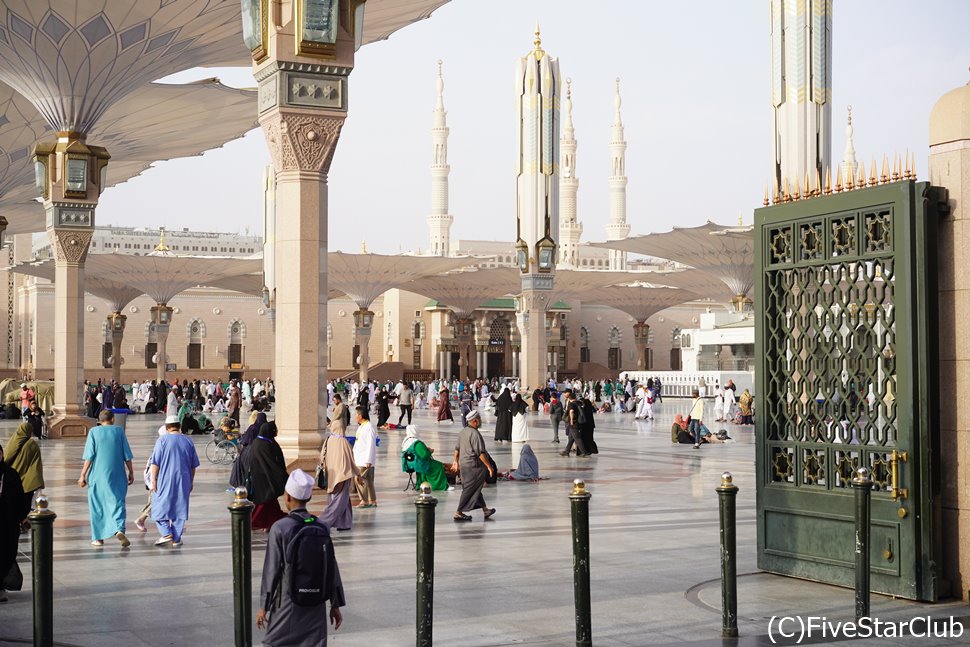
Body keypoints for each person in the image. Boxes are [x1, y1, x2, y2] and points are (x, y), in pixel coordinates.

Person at [257, 469, 346, 646]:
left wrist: (264, 606)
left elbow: (272, 570)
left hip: (287, 602)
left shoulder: (281, 528)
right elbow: (331, 567)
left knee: (275, 642)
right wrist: (335, 604)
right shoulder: (322, 527)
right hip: (316, 603)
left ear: (287, 497)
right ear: (309, 498)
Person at [78, 410, 133, 548]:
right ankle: (119, 529)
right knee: (118, 501)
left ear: (99, 420)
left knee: (97, 505)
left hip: (97, 475)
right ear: (113, 419)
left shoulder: (94, 432)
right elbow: (127, 455)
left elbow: (89, 456)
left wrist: (82, 475)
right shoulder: (119, 431)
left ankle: (98, 538)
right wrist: (131, 472)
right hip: (117, 474)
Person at [148, 414, 201, 547]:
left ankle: (166, 533)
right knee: (180, 508)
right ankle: (176, 538)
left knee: (159, 506)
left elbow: (155, 463)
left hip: (164, 479)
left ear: (167, 428)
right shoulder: (188, 441)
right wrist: (191, 481)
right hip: (183, 479)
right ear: (179, 426)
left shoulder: (162, 441)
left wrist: (153, 480)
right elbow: (193, 465)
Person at [451, 409, 495, 522]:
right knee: (470, 489)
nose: (480, 421)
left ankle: (485, 510)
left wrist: (455, 461)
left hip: (464, 465)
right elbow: (480, 453)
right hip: (473, 466)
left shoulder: (463, 432)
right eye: (479, 419)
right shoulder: (475, 434)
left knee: (475, 487)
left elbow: (457, 449)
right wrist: (489, 467)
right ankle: (458, 512)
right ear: (475, 421)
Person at [319, 417, 359, 531]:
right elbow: (351, 459)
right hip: (343, 475)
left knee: (340, 499)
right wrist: (357, 473)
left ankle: (344, 523)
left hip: (331, 475)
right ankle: (325, 520)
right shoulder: (344, 442)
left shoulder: (328, 440)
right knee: (339, 500)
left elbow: (322, 457)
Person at [0, 444, 29, 603]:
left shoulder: (11, 474)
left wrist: (23, 517)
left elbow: (20, 497)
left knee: (8, 553)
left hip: (8, 522)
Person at [248, 422, 288, 531]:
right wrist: (282, 475)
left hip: (258, 477)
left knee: (270, 503)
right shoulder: (268, 444)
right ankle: (254, 522)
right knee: (265, 502)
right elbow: (275, 463)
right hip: (268, 478)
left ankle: (270, 523)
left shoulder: (256, 442)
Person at [2, 423, 44, 517]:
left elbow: (7, 456)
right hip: (29, 479)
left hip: (15, 476)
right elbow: (36, 463)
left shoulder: (14, 440)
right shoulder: (33, 444)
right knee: (26, 503)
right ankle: (24, 521)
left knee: (14, 502)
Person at [401, 425, 450, 491]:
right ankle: (439, 486)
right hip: (419, 463)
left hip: (409, 464)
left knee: (428, 466)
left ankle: (423, 482)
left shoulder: (405, 441)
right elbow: (424, 455)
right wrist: (430, 451)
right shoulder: (416, 442)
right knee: (439, 466)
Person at [352, 407, 378, 509]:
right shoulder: (362, 426)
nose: (355, 417)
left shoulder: (369, 427)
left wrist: (368, 460)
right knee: (369, 480)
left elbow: (371, 444)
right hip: (360, 458)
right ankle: (372, 500)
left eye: (356, 415)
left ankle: (364, 500)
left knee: (359, 479)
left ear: (360, 416)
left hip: (365, 460)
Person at [560, 390, 589, 458]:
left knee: (577, 438)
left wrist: (571, 421)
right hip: (579, 422)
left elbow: (571, 412)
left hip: (574, 423)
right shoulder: (579, 403)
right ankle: (567, 451)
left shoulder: (572, 404)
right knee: (571, 438)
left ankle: (583, 452)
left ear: (570, 398)